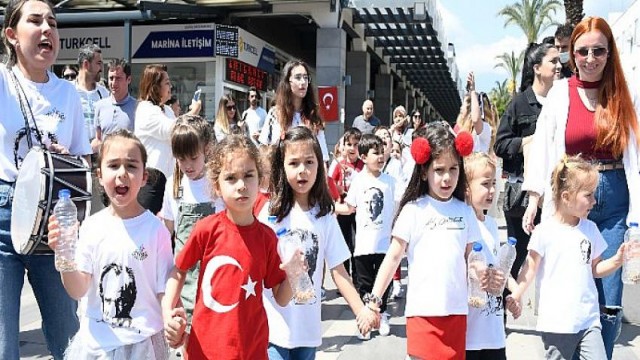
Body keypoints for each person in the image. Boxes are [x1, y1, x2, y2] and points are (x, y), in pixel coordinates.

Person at [521, 17, 640, 359]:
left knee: (611, 301)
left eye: (599, 50)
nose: (591, 58)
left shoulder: (623, 92)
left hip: (616, 199)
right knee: (570, 291)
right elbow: (543, 148)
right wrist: (534, 200)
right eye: (583, 51)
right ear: (571, 54)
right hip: (570, 200)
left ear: (609, 52)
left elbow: (635, 152)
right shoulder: (561, 93)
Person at [0, 1, 90, 358]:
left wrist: (65, 156)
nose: (47, 28)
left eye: (52, 21)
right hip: (3, 215)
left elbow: (83, 159)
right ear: (11, 35)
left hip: (56, 220)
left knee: (67, 335)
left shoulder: (68, 94)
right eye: (35, 21)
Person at [161, 134, 303, 359]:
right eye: (231, 178)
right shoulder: (206, 229)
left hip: (251, 351)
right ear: (216, 185)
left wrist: (295, 274)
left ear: (260, 179)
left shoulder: (267, 238)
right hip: (204, 351)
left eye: (249, 176)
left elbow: (281, 297)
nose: (241, 186)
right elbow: (178, 271)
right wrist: (168, 312)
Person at [47, 130, 176, 359]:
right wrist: (63, 256)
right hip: (97, 347)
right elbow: (78, 289)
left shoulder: (155, 231)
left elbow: (163, 290)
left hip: (142, 344)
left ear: (144, 176)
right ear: (99, 174)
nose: (122, 174)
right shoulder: (91, 227)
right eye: (113, 165)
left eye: (131, 166)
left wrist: (172, 318)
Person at [365, 122, 482, 359]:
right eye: (439, 170)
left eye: (453, 169)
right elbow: (393, 257)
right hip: (422, 314)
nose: (447, 177)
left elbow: (474, 257)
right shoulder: (413, 210)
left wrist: (484, 274)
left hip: (456, 313)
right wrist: (374, 301)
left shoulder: (465, 212)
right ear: (424, 170)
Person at [258, 126, 374, 358]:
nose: (302, 171)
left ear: (319, 166)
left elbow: (338, 271)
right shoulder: (269, 214)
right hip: (274, 330)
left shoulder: (324, 216)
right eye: (294, 163)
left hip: (308, 332)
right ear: (282, 167)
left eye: (309, 162)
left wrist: (360, 309)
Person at [512, 155, 631, 360]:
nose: (594, 201)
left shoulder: (590, 229)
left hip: (588, 320)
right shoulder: (545, 231)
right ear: (566, 197)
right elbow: (530, 267)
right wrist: (517, 293)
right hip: (557, 323)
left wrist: (618, 260)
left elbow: (596, 268)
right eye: (588, 195)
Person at [494, 42, 562, 285]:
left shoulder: (562, 100)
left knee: (555, 259)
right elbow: (500, 144)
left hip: (557, 196)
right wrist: (526, 143)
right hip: (523, 197)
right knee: (516, 256)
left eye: (559, 60)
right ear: (536, 68)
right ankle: (500, 308)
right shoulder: (519, 103)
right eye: (553, 61)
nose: (559, 66)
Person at [158, 115, 224, 352]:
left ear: (206, 149)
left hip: (216, 275)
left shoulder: (217, 183)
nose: (187, 165)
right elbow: (167, 234)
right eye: (181, 158)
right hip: (184, 280)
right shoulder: (173, 186)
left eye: (193, 157)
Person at [335, 134, 397, 338]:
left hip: (384, 245)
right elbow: (350, 207)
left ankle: (382, 314)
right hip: (363, 245)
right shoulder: (359, 181)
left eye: (382, 152)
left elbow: (399, 207)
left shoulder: (390, 182)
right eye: (375, 153)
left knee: (383, 282)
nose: (380, 157)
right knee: (364, 283)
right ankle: (365, 320)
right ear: (363, 157)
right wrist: (331, 208)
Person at [464, 152, 516, 360]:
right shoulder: (464, 223)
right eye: (485, 184)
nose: (492, 190)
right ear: (466, 188)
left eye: (494, 183)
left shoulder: (492, 224)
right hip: (470, 332)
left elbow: (498, 267)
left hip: (494, 331)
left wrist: (515, 290)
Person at [258, 60, 329, 162]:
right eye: (298, 77)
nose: (303, 82)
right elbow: (263, 148)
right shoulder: (275, 113)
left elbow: (323, 157)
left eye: (305, 78)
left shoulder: (313, 115)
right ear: (288, 81)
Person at [374, 126, 407, 299]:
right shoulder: (370, 165)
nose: (384, 139)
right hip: (376, 214)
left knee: (394, 248)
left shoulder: (395, 163)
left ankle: (396, 281)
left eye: (387, 136)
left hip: (393, 210)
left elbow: (401, 188)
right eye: (380, 136)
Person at [329, 127, 363, 277]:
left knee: (357, 244)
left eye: (356, 145)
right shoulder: (339, 164)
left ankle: (357, 277)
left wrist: (354, 175)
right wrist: (339, 189)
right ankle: (345, 277)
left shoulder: (363, 166)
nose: (352, 148)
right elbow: (330, 184)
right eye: (349, 144)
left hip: (358, 210)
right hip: (343, 209)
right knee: (344, 243)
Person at [93, 58, 137, 153]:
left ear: (128, 79)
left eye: (118, 78)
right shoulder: (100, 106)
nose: (114, 83)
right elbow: (98, 139)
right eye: (111, 78)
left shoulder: (138, 107)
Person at [75, 43, 109, 147]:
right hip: (74, 156)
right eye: (98, 63)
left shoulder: (104, 93)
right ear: (86, 64)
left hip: (98, 156)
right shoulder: (69, 91)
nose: (102, 69)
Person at [456, 73, 494, 154]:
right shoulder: (462, 129)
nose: (461, 108)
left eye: (464, 104)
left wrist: (473, 91)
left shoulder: (485, 129)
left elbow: (476, 120)